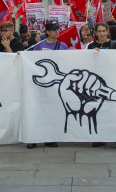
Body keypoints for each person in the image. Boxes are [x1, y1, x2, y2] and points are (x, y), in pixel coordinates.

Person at [27, 19, 66, 149]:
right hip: (41, 84)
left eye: (57, 29)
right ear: (47, 32)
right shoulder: (38, 46)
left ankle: (49, 137)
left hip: (56, 85)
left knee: (52, 111)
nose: (57, 31)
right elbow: (31, 62)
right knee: (38, 111)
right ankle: (33, 137)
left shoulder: (63, 46)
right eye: (54, 29)